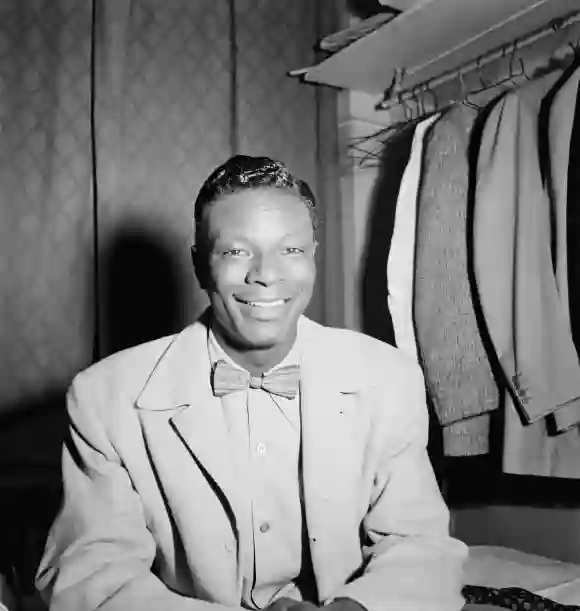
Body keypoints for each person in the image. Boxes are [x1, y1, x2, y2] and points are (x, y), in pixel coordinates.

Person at [35, 155, 468, 611]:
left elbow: (420, 542)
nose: (265, 273)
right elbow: (90, 574)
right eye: (237, 251)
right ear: (201, 266)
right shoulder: (104, 398)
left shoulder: (389, 378)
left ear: (314, 259)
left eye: (291, 250)